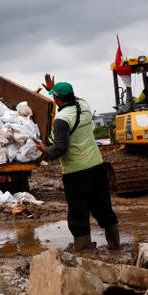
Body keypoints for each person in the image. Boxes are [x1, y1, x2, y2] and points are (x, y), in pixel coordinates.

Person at [35, 80, 120, 251]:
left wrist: (45, 150)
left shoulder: (61, 119)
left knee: (78, 211)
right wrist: (54, 89)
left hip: (76, 173)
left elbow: (60, 148)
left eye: (55, 97)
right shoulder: (84, 106)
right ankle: (114, 245)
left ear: (58, 100)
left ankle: (83, 247)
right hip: (97, 166)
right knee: (103, 206)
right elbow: (74, 98)